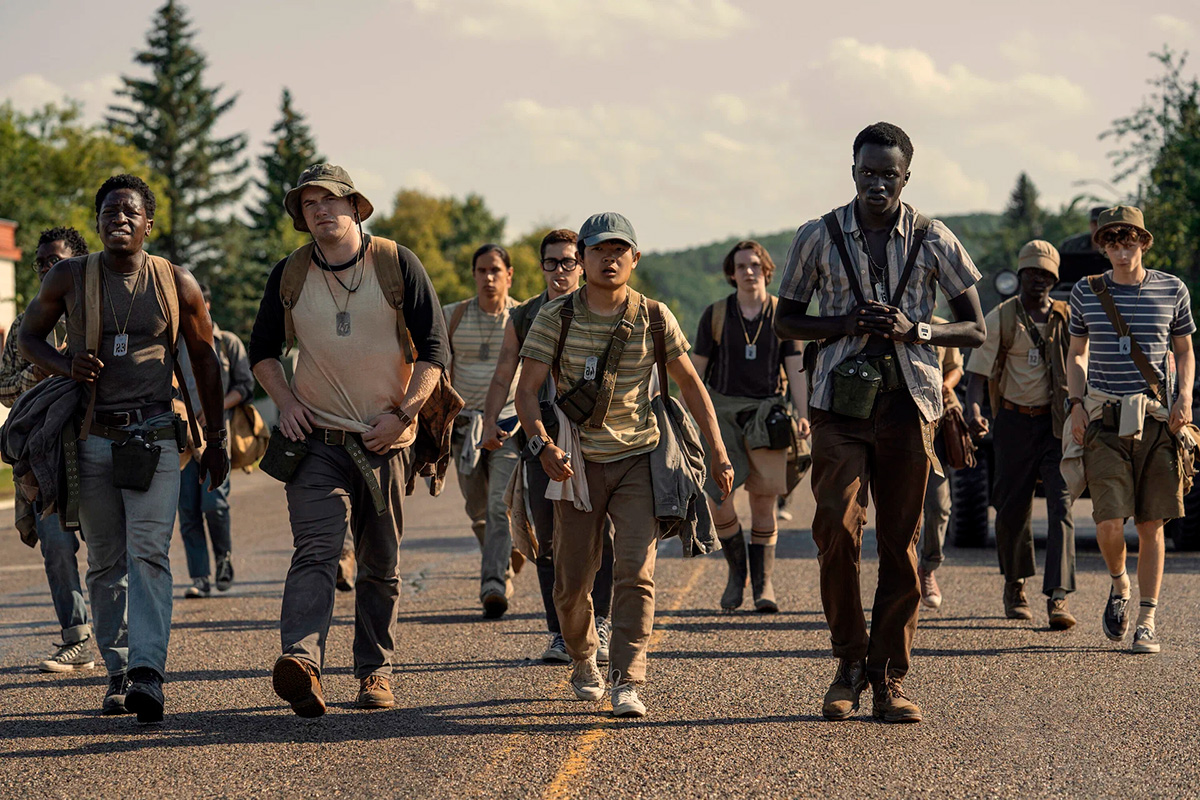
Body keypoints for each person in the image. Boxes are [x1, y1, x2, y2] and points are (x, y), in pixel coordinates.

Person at [774, 123, 985, 724]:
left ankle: (888, 678)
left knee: (900, 545)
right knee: (836, 531)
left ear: (906, 177)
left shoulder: (934, 237)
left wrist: (915, 329)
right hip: (838, 406)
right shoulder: (817, 235)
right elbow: (787, 321)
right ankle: (848, 663)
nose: (877, 184)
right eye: (867, 172)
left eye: (888, 174)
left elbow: (975, 328)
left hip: (909, 406)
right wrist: (843, 323)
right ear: (852, 170)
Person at [19, 175, 230, 724]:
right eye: (109, 211)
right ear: (97, 222)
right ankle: (116, 672)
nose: (119, 218)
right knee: (105, 560)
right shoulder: (69, 276)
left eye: (130, 212)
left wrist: (215, 440)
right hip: (91, 436)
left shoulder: (176, 282)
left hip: (155, 434)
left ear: (148, 224)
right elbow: (27, 337)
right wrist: (65, 365)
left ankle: (147, 672)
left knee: (150, 553)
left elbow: (205, 359)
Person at [249, 163, 450, 716]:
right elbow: (262, 351)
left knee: (380, 563)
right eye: (308, 203)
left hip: (384, 440)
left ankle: (375, 672)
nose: (320, 210)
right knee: (315, 550)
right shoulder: (289, 273)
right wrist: (287, 402)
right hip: (316, 440)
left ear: (356, 206)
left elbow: (435, 349)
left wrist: (405, 415)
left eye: (330, 200)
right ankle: (302, 663)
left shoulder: (396, 263)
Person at [515, 211, 733, 718]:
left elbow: (691, 385)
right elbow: (526, 391)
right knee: (572, 584)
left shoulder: (654, 316)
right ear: (582, 258)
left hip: (639, 459)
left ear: (635, 258)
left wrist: (719, 451)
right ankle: (583, 656)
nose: (609, 260)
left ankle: (628, 679)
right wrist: (542, 446)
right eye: (599, 250)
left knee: (636, 573)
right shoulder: (556, 317)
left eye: (619, 251)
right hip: (576, 463)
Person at [478, 229, 615, 661]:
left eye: (568, 261)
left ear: (582, 265)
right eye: (551, 262)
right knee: (548, 536)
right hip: (540, 436)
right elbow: (504, 374)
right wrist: (489, 422)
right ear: (540, 267)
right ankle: (559, 632)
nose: (560, 270)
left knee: (601, 534)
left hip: (597, 437)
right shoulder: (524, 316)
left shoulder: (602, 306)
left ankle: (602, 622)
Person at [1063, 206, 1194, 655]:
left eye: (1129, 241)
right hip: (1104, 418)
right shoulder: (1085, 291)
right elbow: (1076, 353)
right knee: (1108, 523)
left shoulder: (1172, 289)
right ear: (1104, 247)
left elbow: (1185, 350)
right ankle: (1120, 584)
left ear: (1144, 242)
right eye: (1113, 243)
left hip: (1156, 419)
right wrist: (1075, 404)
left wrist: (1184, 397)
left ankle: (1147, 620)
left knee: (1151, 523)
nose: (1122, 251)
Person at [689, 240, 808, 613]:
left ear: (767, 270)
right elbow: (694, 371)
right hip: (721, 413)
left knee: (763, 501)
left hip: (766, 414)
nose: (749, 271)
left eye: (755, 265)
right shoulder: (716, 314)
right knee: (719, 499)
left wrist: (804, 413)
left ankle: (763, 584)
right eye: (741, 266)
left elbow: (796, 369)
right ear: (732, 273)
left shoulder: (782, 315)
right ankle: (736, 573)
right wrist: (685, 415)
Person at [964, 241, 1076, 628]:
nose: (1038, 280)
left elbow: (1084, 363)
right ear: (1020, 275)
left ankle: (1058, 596)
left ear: (1054, 278)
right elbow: (976, 375)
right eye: (1031, 272)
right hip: (1013, 423)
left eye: (1045, 274)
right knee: (1012, 509)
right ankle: (1015, 585)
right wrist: (973, 410)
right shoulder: (1001, 317)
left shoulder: (1067, 317)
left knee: (1062, 507)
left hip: (1055, 424)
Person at [0, 226, 93, 673]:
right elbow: (3, 390)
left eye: (54, 261)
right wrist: (44, 368)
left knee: (108, 546)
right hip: (43, 455)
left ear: (77, 264)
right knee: (56, 546)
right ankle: (76, 638)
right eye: (39, 263)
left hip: (95, 443)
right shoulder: (26, 324)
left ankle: (127, 643)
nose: (44, 269)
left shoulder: (98, 309)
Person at [444, 244, 521, 618]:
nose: (488, 278)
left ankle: (494, 584)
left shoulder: (522, 318)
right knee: (477, 510)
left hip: (508, 426)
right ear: (473, 274)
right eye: (481, 271)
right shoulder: (453, 316)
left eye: (495, 270)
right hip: (463, 430)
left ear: (509, 275)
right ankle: (505, 553)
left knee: (498, 506)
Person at [177, 283, 254, 598]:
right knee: (188, 510)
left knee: (214, 504)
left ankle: (224, 559)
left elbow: (245, 386)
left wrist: (214, 408)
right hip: (182, 438)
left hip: (217, 436)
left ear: (206, 304)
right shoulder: (173, 343)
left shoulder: (228, 342)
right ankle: (200, 578)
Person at [917, 315, 963, 610]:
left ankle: (928, 567)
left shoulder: (943, 327)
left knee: (938, 505)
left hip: (936, 426)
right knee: (896, 507)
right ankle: (899, 574)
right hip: (899, 424)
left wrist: (945, 385)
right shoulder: (892, 321)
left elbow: (955, 368)